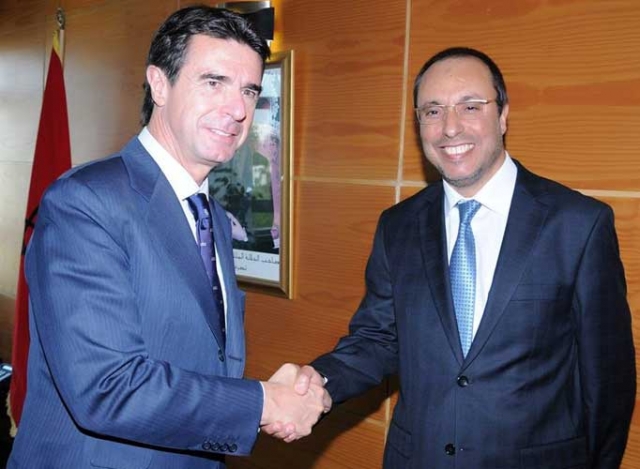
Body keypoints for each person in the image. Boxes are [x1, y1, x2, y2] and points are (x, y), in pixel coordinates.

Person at [8, 6, 329, 469]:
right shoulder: (84, 202)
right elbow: (106, 388)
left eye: (249, 90)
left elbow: (197, 357)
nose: (239, 109)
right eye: (214, 82)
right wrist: (264, 402)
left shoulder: (213, 217)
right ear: (159, 84)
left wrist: (274, 395)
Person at [287, 47, 636, 468]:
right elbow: (378, 339)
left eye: (470, 106)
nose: (450, 128)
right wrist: (319, 381)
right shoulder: (398, 226)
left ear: (503, 115)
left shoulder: (577, 224)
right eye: (433, 111)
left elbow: (608, 381)